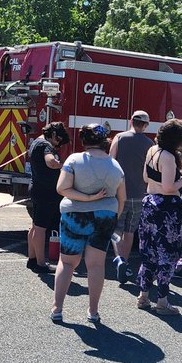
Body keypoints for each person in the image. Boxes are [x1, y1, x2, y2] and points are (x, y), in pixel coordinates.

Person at [51, 124, 126, 324]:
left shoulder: (74, 159)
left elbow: (62, 188)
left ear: (84, 140)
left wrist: (88, 198)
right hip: (105, 216)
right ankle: (93, 311)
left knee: (67, 263)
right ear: (104, 141)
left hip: (74, 214)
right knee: (95, 265)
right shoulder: (115, 166)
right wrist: (113, 217)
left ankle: (57, 308)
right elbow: (122, 198)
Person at [136, 118, 182, 315]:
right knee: (166, 254)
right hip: (166, 209)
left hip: (149, 204)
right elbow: (169, 188)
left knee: (149, 252)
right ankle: (162, 301)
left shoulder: (152, 150)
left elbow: (146, 177)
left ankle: (143, 296)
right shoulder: (168, 156)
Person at [108, 110, 153, 278]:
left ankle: (119, 260)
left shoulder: (119, 138)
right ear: (146, 125)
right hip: (140, 193)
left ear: (130, 121)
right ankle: (125, 264)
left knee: (116, 229)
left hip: (119, 192)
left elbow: (111, 162)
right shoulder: (150, 144)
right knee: (130, 231)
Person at [26, 122, 68, 273]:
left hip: (36, 187)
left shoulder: (36, 142)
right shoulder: (46, 146)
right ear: (55, 135)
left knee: (34, 225)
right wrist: (62, 165)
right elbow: (50, 161)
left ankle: (32, 259)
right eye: (59, 140)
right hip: (46, 192)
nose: (58, 145)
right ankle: (41, 263)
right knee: (41, 228)